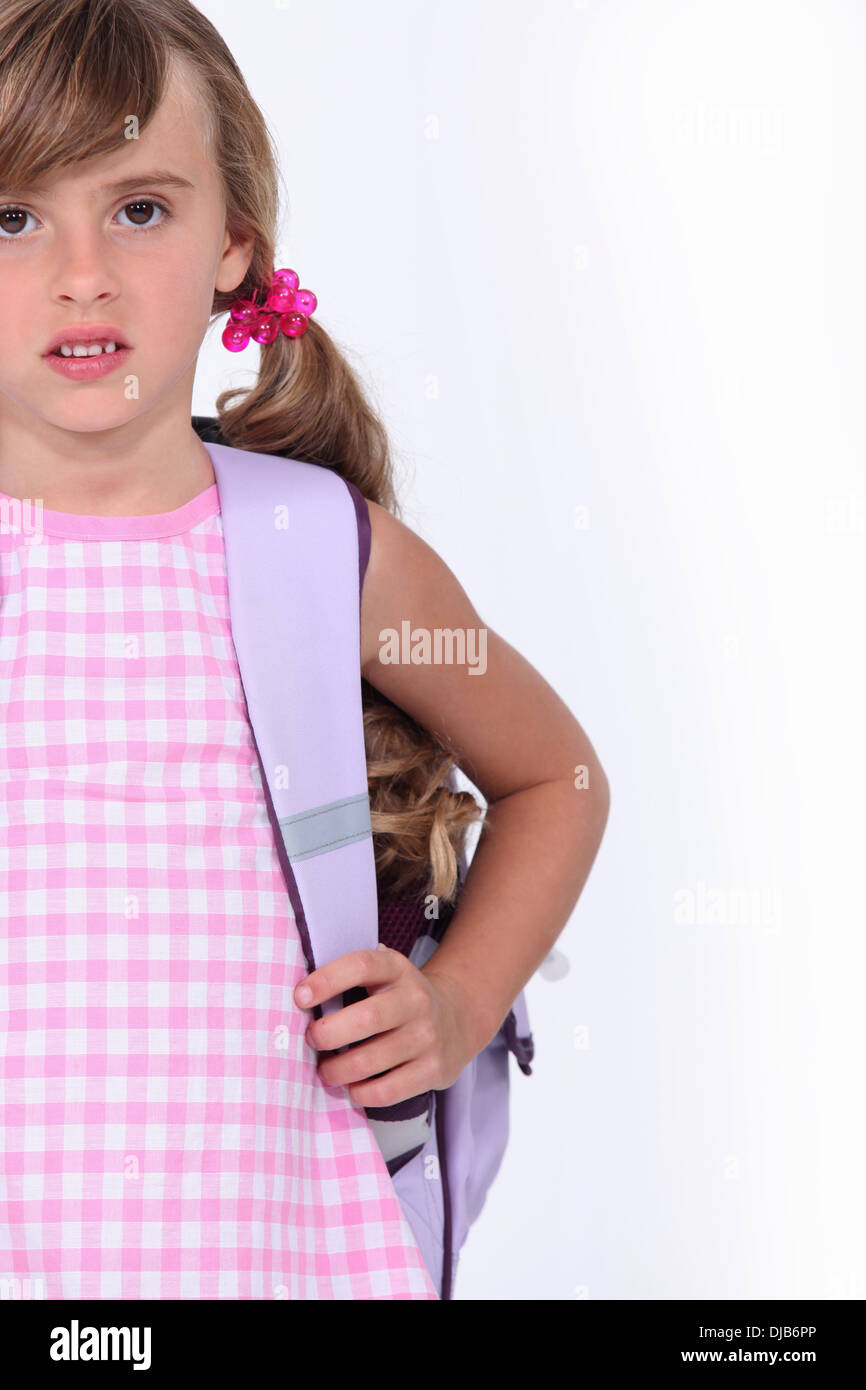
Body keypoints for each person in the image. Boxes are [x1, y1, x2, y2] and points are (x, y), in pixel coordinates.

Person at [0, 0, 610, 1300]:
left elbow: (555, 777)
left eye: (140, 208)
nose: (81, 273)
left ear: (235, 242)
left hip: (263, 1254)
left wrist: (452, 1007)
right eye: (13, 217)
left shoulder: (322, 551)